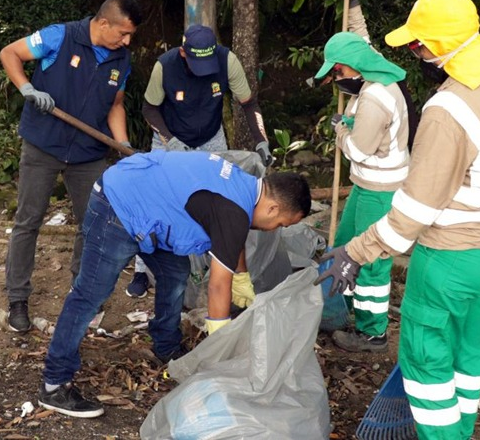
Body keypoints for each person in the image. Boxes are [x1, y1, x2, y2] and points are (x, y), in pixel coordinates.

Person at [315, 0, 480, 439]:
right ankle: (460, 430)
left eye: (417, 45)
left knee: (424, 362)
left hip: (456, 258)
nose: (414, 54)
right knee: (467, 357)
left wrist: (356, 252)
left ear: (437, 48)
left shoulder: (448, 108)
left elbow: (415, 209)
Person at [37, 150, 311, 418]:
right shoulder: (234, 209)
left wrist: (241, 277)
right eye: (281, 224)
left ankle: (165, 345)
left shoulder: (245, 187)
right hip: (119, 205)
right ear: (273, 207)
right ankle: (54, 384)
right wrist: (220, 346)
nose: (276, 229)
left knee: (175, 272)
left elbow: (231, 237)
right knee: (91, 294)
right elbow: (217, 286)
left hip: (148, 205)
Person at [0, 0, 142, 334]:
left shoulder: (121, 60)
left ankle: (84, 293)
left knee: (92, 223)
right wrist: (27, 89)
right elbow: (10, 53)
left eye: (130, 36)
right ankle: (17, 300)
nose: (126, 41)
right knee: (28, 221)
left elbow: (116, 104)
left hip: (88, 153)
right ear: (103, 23)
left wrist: (121, 143)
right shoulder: (59, 36)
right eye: (122, 33)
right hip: (43, 144)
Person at [125, 24, 273, 298]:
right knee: (156, 198)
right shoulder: (165, 66)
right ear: (183, 53)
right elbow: (149, 109)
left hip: (211, 137)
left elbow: (248, 103)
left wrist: (260, 139)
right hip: (170, 138)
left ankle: (215, 265)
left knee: (221, 200)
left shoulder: (227, 61)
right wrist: (170, 140)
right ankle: (141, 270)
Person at [313, 0, 412, 352]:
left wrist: (340, 127)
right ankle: (344, 308)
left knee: (370, 260)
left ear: (353, 67)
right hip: (365, 184)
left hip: (381, 188)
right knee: (343, 246)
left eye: (338, 72)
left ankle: (372, 332)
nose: (338, 79)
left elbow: (357, 149)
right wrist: (353, 6)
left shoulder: (374, 98)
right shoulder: (374, 68)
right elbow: (362, 39)